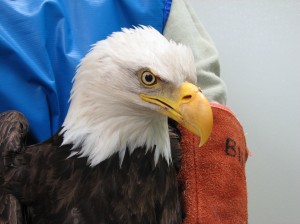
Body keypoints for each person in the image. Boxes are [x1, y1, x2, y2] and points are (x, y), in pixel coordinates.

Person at [0, 0, 247, 223]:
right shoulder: (21, 172)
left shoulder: (164, 5)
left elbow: (207, 84)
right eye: (149, 79)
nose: (192, 98)